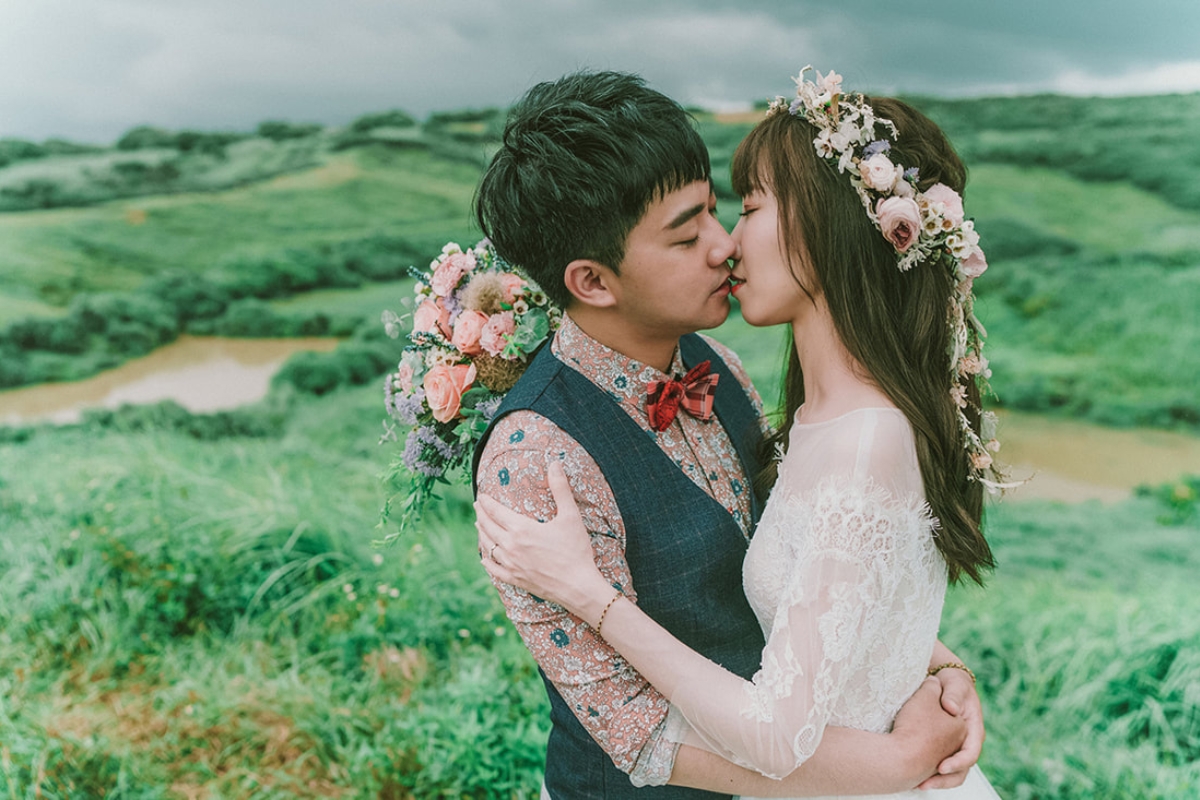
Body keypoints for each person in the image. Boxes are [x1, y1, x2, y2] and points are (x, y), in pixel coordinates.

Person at [474, 68, 1003, 799]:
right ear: (593, 282)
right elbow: (633, 725)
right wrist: (892, 763)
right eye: (687, 235)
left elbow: (817, 574)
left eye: (724, 212)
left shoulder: (714, 366)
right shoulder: (534, 457)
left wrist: (938, 670)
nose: (724, 246)